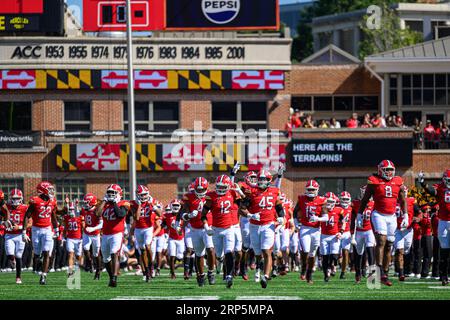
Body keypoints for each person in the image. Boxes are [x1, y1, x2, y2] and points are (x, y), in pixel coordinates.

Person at [357, 160, 408, 286]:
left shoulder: (397, 181)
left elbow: (402, 200)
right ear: (380, 170)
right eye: (387, 170)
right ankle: (378, 271)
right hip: (378, 214)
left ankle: (384, 273)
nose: (389, 172)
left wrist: (405, 215)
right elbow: (365, 199)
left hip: (392, 216)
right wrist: (359, 214)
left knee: (389, 244)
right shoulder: (374, 180)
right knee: (381, 241)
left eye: (391, 170)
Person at [239, 170, 285, 288]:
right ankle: (258, 270)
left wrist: (281, 217)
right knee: (258, 253)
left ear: (269, 180)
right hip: (254, 225)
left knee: (266, 250)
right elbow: (242, 209)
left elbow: (279, 207)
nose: (262, 181)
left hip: (268, 225)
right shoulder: (252, 192)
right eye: (260, 179)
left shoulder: (275, 191)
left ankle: (265, 276)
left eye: (265, 179)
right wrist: (250, 215)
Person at [202, 174, 241, 288]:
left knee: (229, 252)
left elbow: (245, 203)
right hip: (216, 229)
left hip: (229, 228)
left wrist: (241, 192)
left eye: (224, 187)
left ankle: (229, 275)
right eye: (219, 186)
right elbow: (203, 215)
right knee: (219, 255)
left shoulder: (232, 193)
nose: (221, 189)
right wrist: (206, 227)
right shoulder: (211, 196)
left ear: (228, 186)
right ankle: (219, 263)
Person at [179, 177, 216, 287]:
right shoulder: (189, 197)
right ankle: (200, 275)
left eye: (202, 189)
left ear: (206, 188)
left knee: (210, 249)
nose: (200, 192)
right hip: (194, 228)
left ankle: (211, 272)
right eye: (198, 189)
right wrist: (189, 215)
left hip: (208, 227)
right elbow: (182, 214)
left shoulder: (211, 195)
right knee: (199, 254)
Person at [22, 182, 58, 285]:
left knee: (46, 252)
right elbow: (27, 216)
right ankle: (37, 265)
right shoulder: (35, 201)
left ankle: (43, 276)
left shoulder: (52, 201)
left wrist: (56, 229)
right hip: (36, 229)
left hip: (47, 229)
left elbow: (53, 216)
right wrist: (24, 232)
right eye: (49, 189)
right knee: (37, 254)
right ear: (43, 190)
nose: (52, 191)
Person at [418, 169, 450, 285]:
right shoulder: (440, 187)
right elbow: (431, 191)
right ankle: (443, 276)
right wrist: (422, 183)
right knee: (444, 250)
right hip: (442, 222)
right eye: (448, 180)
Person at [293, 180, 328, 283]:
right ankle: (304, 268)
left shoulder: (322, 200)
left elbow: (326, 217)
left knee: (312, 254)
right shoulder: (302, 198)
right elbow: (295, 212)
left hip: (316, 230)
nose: (311, 191)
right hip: (305, 228)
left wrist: (317, 219)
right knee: (305, 250)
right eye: (310, 189)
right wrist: (296, 224)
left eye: (313, 189)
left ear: (317, 190)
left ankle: (309, 273)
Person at [96, 184, 131, 287]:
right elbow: (97, 214)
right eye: (109, 192)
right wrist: (104, 201)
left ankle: (115, 278)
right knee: (106, 259)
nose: (111, 194)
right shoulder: (105, 204)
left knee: (114, 253)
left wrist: (115, 203)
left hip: (117, 233)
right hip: (106, 234)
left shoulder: (124, 203)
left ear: (119, 193)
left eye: (113, 193)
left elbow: (120, 214)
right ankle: (111, 277)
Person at [130, 185, 160, 282]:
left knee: (148, 247)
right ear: (137, 195)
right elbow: (137, 218)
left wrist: (153, 206)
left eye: (145, 194)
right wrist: (139, 205)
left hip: (148, 228)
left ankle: (151, 266)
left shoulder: (152, 201)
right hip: (138, 229)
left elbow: (160, 214)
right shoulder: (133, 204)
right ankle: (147, 271)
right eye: (141, 195)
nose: (143, 196)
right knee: (142, 251)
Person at [2, 189, 27, 284]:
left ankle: (18, 277)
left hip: (20, 234)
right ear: (10, 198)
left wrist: (20, 227)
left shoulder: (25, 208)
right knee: (10, 254)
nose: (16, 200)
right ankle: (12, 261)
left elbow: (30, 222)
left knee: (18, 256)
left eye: (17, 198)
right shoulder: (6, 207)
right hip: (9, 235)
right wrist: (4, 223)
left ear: (21, 198)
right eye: (14, 198)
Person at [352, 186, 376, 283]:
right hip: (358, 231)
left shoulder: (375, 203)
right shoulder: (356, 203)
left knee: (370, 251)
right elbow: (352, 219)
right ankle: (358, 273)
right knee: (358, 253)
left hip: (369, 230)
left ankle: (372, 274)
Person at [320, 192, 343, 282]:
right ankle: (326, 275)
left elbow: (343, 222)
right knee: (325, 257)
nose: (329, 203)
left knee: (334, 256)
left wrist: (341, 232)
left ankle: (332, 266)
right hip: (324, 235)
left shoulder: (338, 210)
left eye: (331, 201)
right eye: (328, 201)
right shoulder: (321, 210)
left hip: (334, 235)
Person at [81, 193, 103, 280]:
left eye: (87, 202)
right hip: (86, 233)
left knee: (96, 254)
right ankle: (90, 263)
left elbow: (102, 224)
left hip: (95, 234)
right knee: (85, 249)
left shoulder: (97, 211)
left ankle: (98, 271)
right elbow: (77, 216)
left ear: (92, 202)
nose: (85, 204)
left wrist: (93, 228)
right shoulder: (84, 210)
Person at [63, 200, 83, 277]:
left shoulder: (79, 218)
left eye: (72, 210)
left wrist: (83, 236)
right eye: (70, 210)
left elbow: (83, 227)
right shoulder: (67, 218)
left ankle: (78, 267)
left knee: (78, 256)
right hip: (70, 238)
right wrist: (67, 203)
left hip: (78, 239)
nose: (71, 211)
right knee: (70, 254)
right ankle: (70, 271)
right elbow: (65, 228)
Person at [338, 191, 352, 279]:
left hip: (347, 232)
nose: (345, 201)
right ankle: (333, 267)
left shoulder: (351, 209)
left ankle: (343, 271)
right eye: (343, 199)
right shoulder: (336, 208)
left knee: (345, 252)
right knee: (335, 253)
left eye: (347, 199)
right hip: (336, 232)